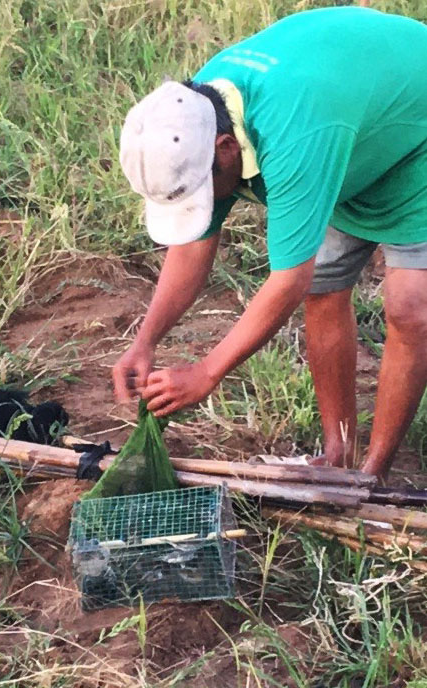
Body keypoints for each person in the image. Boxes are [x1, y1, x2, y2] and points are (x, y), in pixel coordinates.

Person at [113, 6, 427, 479]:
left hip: (414, 134)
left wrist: (208, 372)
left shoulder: (295, 133)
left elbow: (288, 280)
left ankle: (373, 475)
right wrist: (145, 340)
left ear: (226, 149)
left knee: (410, 308)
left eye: (203, 191)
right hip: (350, 130)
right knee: (325, 288)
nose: (205, 205)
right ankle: (337, 455)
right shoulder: (193, 116)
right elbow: (195, 243)